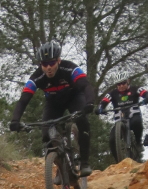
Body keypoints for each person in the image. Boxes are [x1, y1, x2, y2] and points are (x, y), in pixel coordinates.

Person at [9, 41, 95, 176]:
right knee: (46, 135)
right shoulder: (36, 77)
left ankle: (84, 162)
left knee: (82, 121)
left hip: (74, 97)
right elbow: (24, 99)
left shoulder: (70, 68)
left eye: (51, 63)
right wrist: (15, 120)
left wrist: (89, 103)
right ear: (40, 65)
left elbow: (86, 86)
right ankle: (61, 167)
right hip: (53, 102)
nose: (48, 67)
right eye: (44, 64)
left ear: (58, 61)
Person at [98, 75, 148, 162]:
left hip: (133, 115)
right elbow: (104, 101)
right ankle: (117, 161)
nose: (121, 86)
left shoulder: (135, 89)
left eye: (123, 83)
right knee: (112, 139)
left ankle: (138, 142)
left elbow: (146, 93)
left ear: (128, 81)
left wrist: (147, 98)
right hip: (120, 119)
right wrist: (101, 108)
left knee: (137, 122)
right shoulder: (112, 93)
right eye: (119, 84)